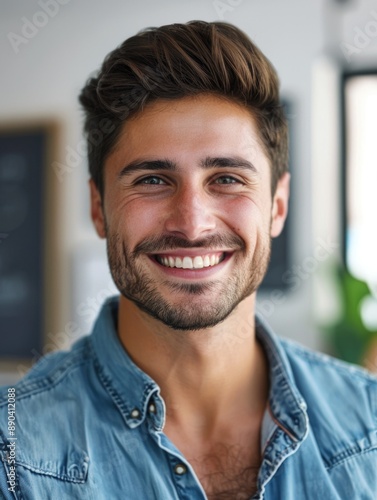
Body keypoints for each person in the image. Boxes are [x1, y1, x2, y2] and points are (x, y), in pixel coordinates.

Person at [0, 20, 376, 500]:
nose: (193, 225)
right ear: (98, 208)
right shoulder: (13, 454)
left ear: (277, 205)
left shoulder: (370, 427)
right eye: (152, 180)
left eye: (227, 178)